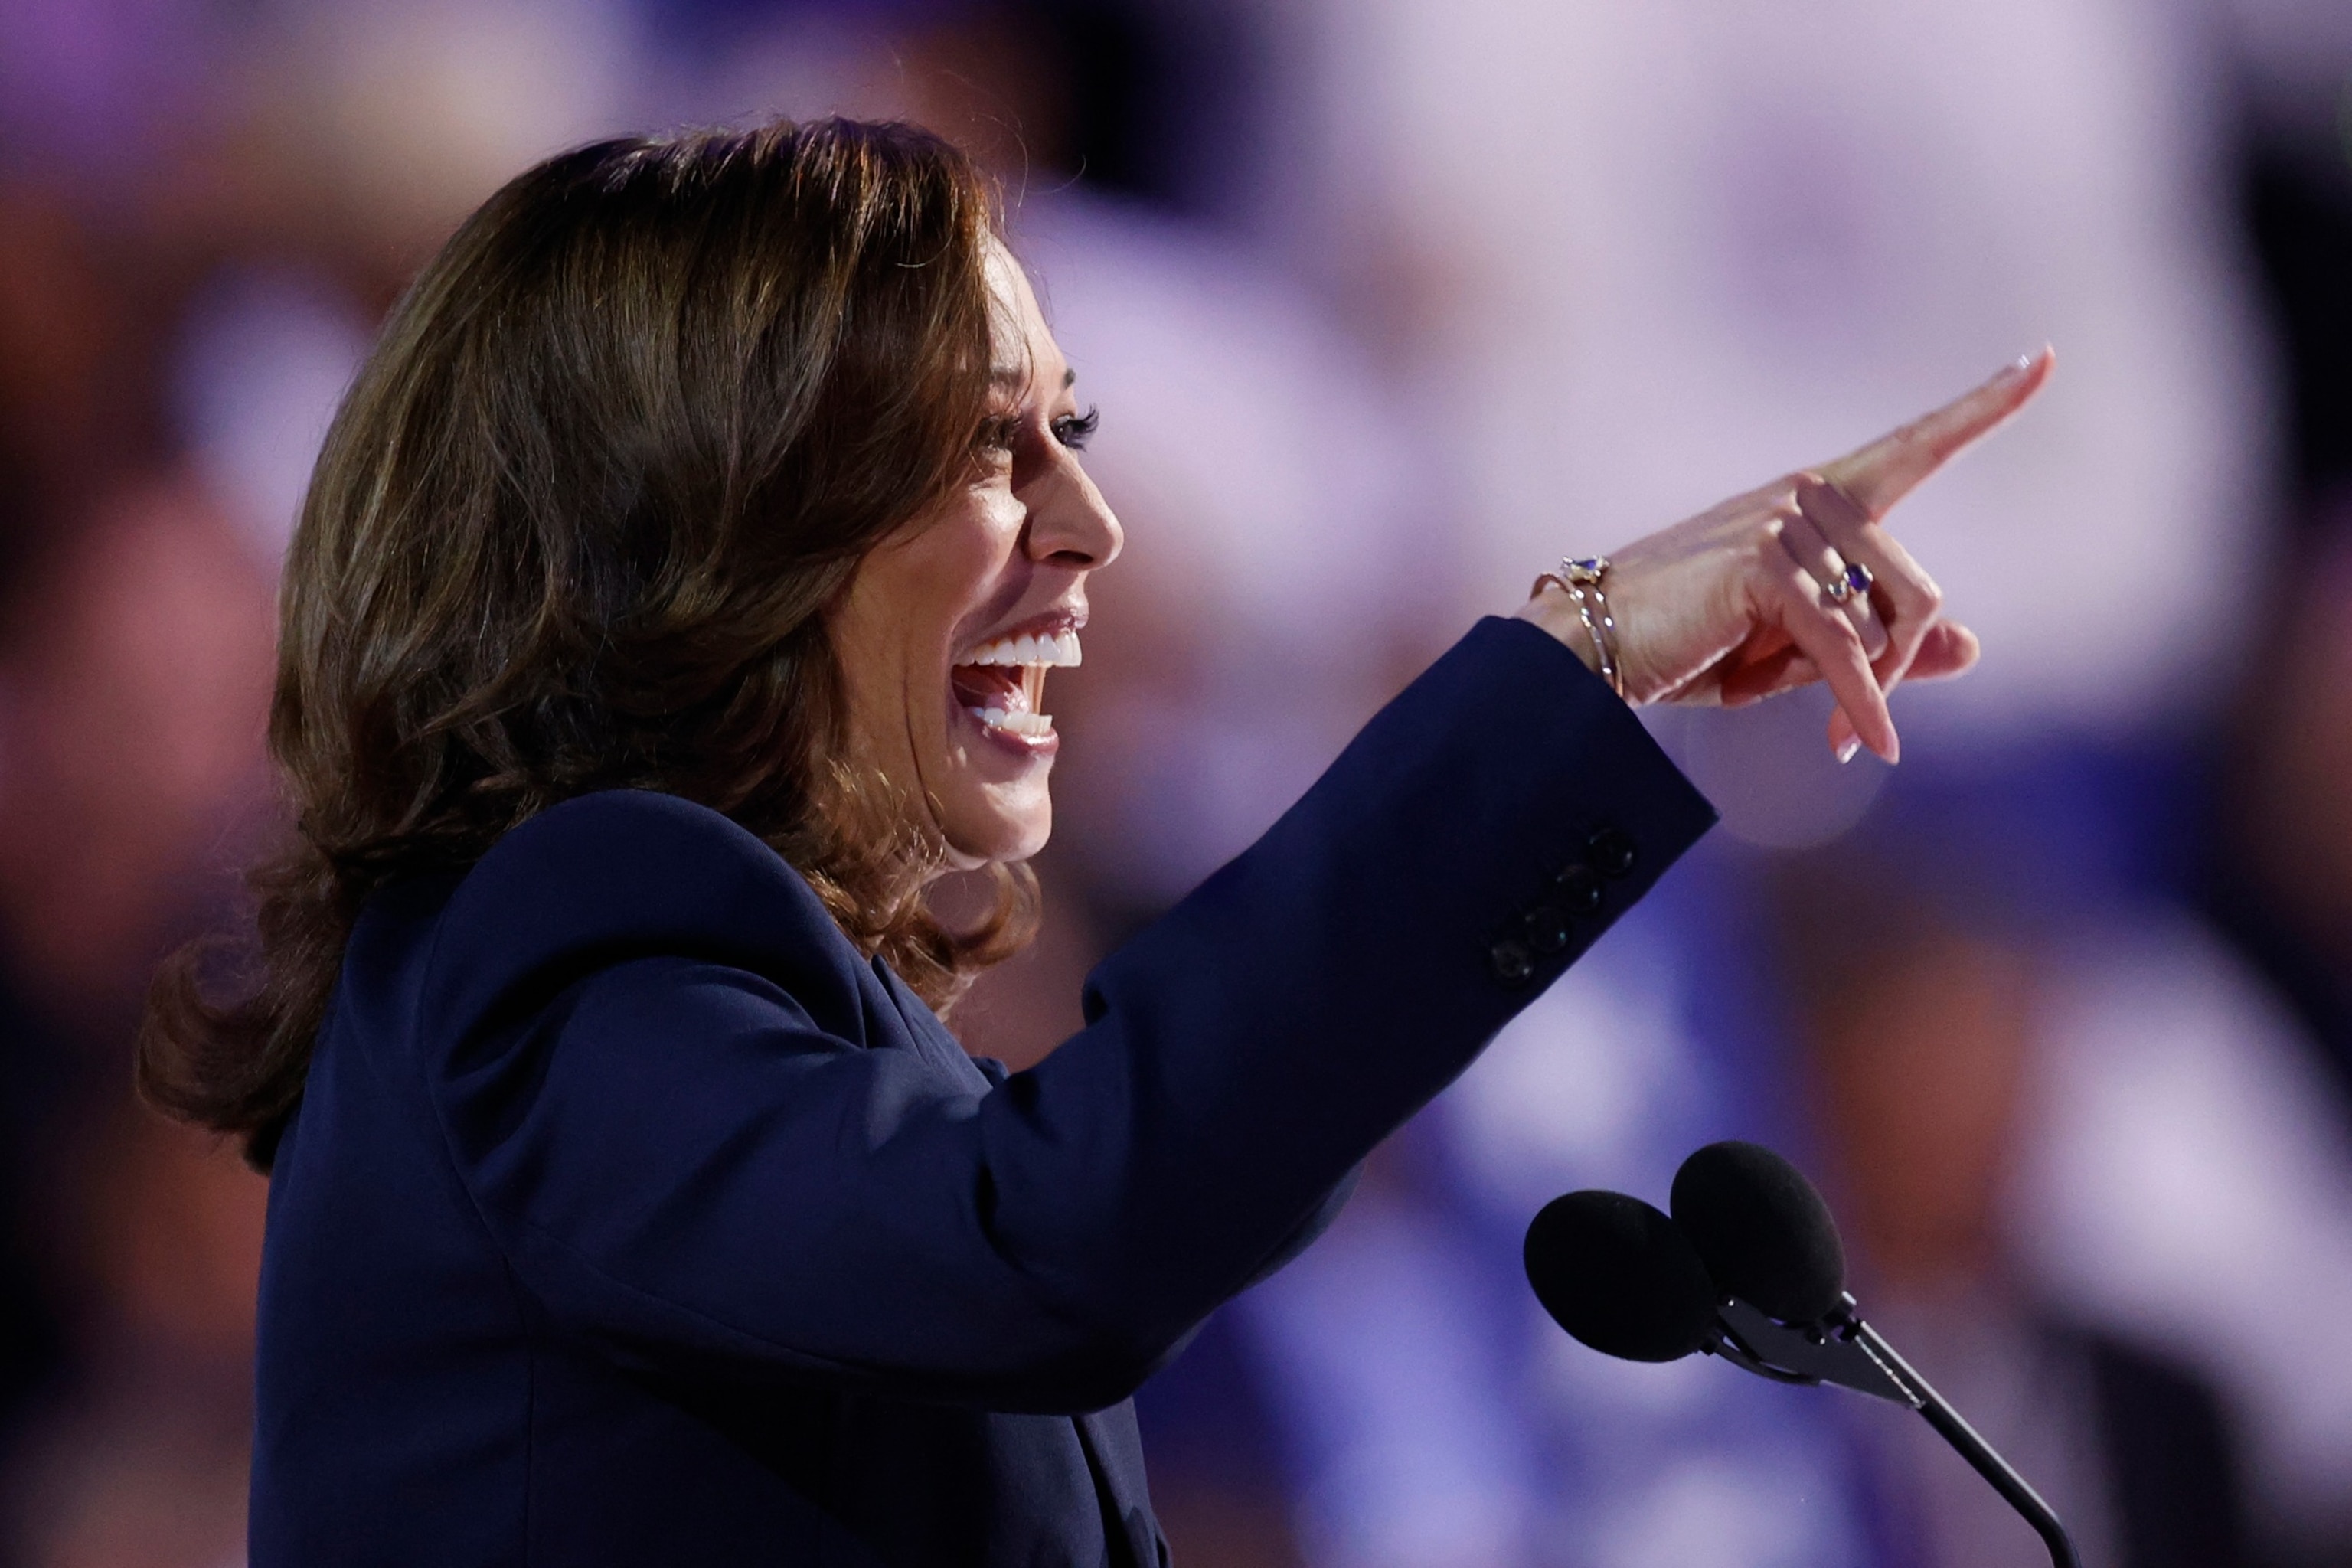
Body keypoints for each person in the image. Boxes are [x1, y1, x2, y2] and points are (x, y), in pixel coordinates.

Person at [134, 119, 2045, 1567]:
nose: (1089, 527)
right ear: (702, 528)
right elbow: (1046, 1239)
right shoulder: (551, 952)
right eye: (986, 448)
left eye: (1071, 430)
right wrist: (1579, 651)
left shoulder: (762, 1025)